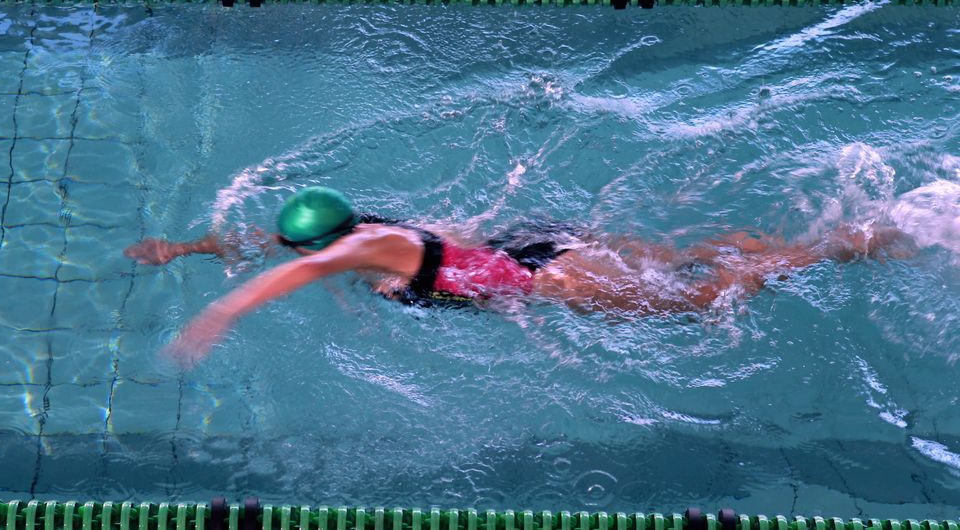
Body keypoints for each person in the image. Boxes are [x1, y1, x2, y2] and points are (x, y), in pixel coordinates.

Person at [124, 186, 911, 368]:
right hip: (536, 242)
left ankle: (850, 242)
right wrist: (184, 251)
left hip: (548, 280)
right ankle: (785, 235)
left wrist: (219, 315)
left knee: (701, 302)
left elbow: (294, 268)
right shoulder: (367, 227)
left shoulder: (354, 253)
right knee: (683, 264)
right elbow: (272, 242)